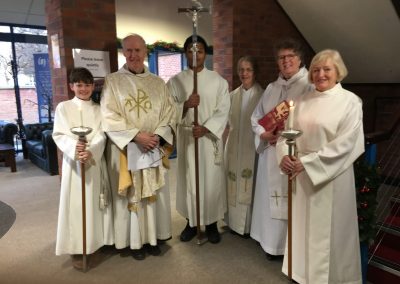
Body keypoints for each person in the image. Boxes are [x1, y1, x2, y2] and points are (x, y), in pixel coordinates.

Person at [278, 49, 364, 284]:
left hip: (330, 178)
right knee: (303, 229)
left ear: (338, 72)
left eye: (327, 69)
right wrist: (284, 156)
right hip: (300, 175)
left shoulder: (350, 102)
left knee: (330, 235)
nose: (320, 74)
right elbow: (285, 136)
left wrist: (306, 163)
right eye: (316, 70)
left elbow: (346, 144)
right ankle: (301, 274)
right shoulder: (301, 102)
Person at [100, 34, 176, 260]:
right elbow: (108, 114)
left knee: (152, 192)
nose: (133, 55)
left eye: (138, 50)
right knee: (132, 194)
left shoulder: (158, 82)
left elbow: (169, 113)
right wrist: (135, 136)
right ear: (123, 52)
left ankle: (153, 238)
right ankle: (134, 242)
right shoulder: (113, 81)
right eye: (129, 50)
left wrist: (157, 136)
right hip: (127, 149)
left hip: (152, 147)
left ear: (146, 53)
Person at [250, 38, 313, 260]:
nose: (286, 61)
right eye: (281, 57)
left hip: (292, 156)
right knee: (271, 198)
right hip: (270, 153)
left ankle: (289, 248)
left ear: (300, 59)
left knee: (291, 200)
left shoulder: (309, 86)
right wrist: (262, 134)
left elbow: (315, 122)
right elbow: (256, 117)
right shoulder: (271, 88)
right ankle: (270, 244)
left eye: (290, 56)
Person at [167, 35, 230, 244]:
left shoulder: (219, 81)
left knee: (210, 181)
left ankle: (211, 223)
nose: (195, 54)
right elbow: (168, 110)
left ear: (205, 54)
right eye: (191, 50)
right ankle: (191, 222)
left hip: (208, 138)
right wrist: (185, 105)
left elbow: (223, 110)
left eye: (200, 50)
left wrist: (206, 128)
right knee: (189, 180)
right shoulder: (176, 81)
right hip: (188, 137)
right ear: (185, 53)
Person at [53, 67, 114, 269]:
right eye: (79, 85)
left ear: (93, 86)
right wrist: (75, 148)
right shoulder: (64, 107)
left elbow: (101, 134)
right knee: (75, 205)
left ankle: (94, 244)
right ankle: (76, 246)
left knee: (93, 204)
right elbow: (59, 134)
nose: (84, 89)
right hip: (73, 164)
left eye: (88, 85)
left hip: (92, 163)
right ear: (72, 87)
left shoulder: (98, 109)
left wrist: (91, 150)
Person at [224, 56, 263, 237]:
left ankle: (247, 227)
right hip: (233, 145)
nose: (244, 73)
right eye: (241, 70)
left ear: (255, 72)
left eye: (248, 70)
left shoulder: (262, 96)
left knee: (248, 182)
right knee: (232, 181)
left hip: (251, 147)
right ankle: (232, 223)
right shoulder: (232, 96)